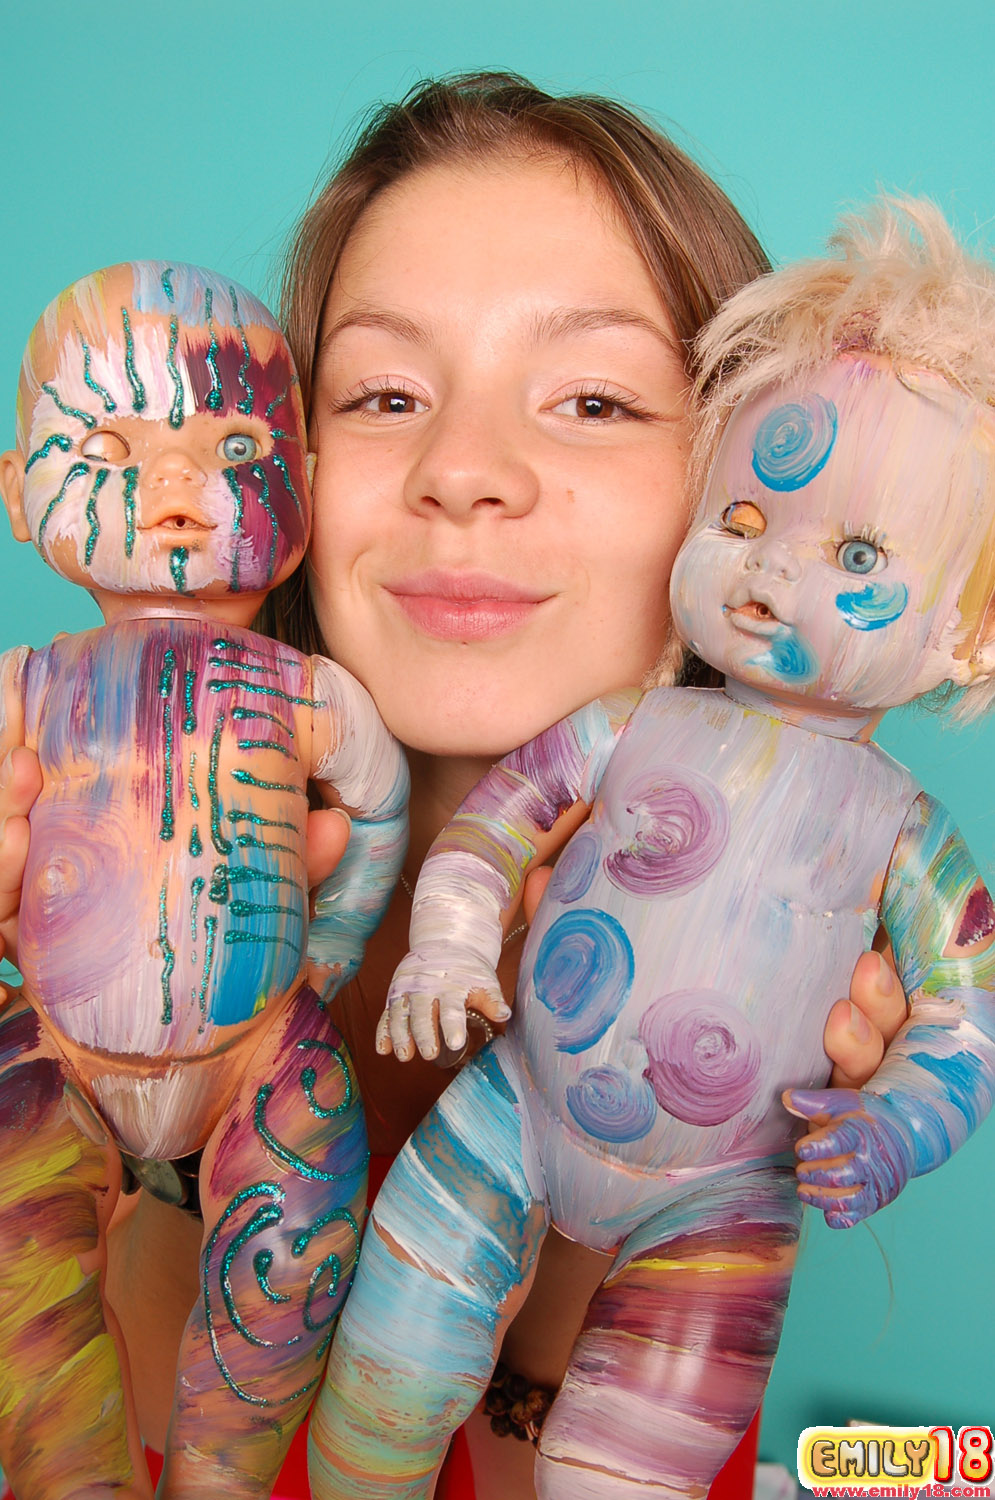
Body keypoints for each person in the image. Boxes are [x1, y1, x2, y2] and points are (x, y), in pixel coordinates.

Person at [0, 73, 902, 1500]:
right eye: (385, 394)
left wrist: (674, 1143)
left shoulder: (818, 939)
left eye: (592, 398)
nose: (462, 471)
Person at [319, 196, 995, 1499]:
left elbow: (965, 1011)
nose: (768, 574)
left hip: (723, 1198)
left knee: (621, 1474)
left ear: (967, 636)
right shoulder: (626, 732)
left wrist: (897, 1122)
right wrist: (446, 948)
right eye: (740, 522)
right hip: (512, 1107)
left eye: (855, 552)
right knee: (377, 1402)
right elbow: (496, 827)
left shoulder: (898, 835)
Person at [0, 260, 409, 1499]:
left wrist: (333, 948)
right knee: (24, 1310)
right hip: (56, 1043)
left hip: (259, 1051)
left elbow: (377, 809)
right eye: (107, 447)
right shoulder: (28, 685)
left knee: (283, 1287)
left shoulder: (310, 694)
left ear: (306, 491)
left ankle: (222, 1476)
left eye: (235, 445)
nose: (176, 487)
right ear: (17, 495)